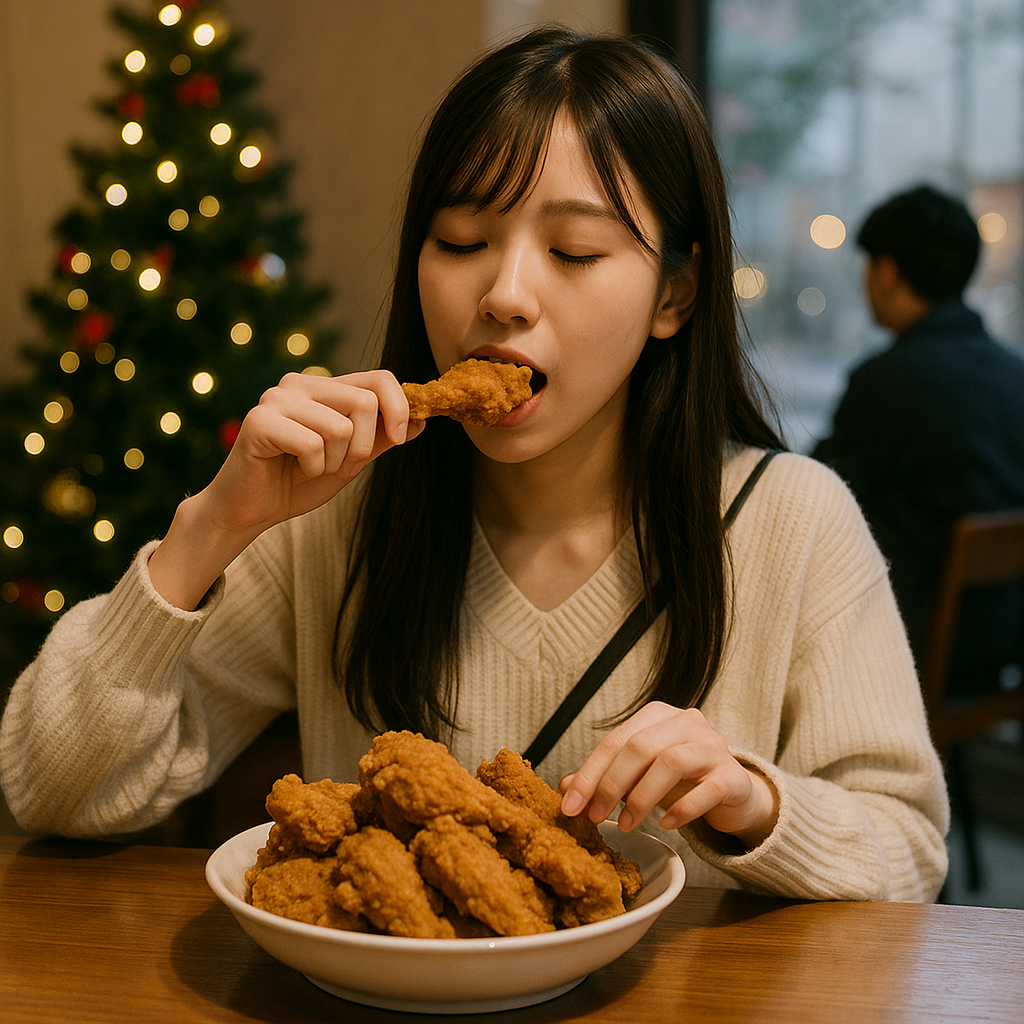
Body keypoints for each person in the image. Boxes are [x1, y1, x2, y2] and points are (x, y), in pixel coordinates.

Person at [0, 28, 947, 901]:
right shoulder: (337, 513)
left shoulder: (793, 520)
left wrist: (753, 802)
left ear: (676, 292)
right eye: (461, 241)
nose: (503, 294)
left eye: (574, 251)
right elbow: (52, 793)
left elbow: (909, 853)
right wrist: (215, 524)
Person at [813, 185, 1024, 698]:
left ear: (886, 271)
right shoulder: (1013, 373)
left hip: (914, 642)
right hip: (1004, 632)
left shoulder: (889, 381)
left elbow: (818, 491)